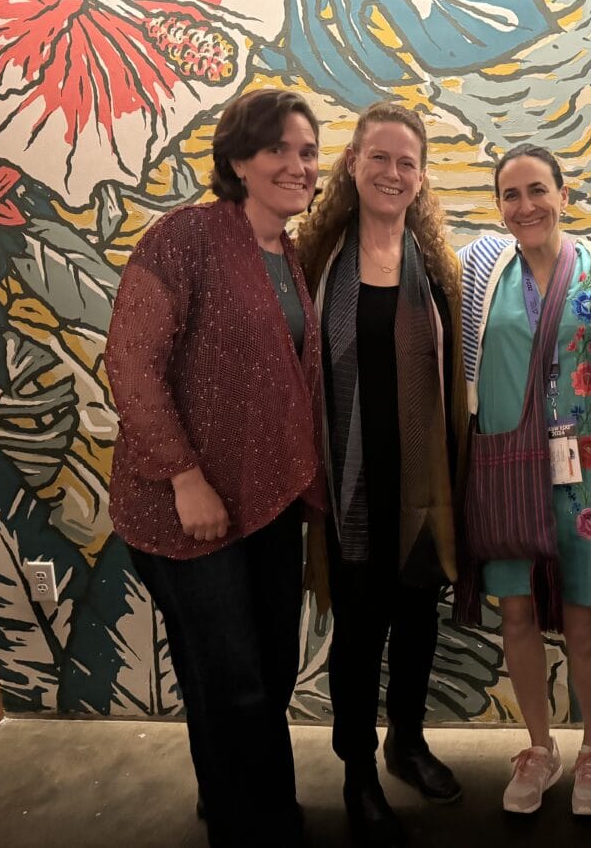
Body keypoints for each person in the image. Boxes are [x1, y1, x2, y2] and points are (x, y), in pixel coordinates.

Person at [105, 88, 325, 847]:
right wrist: (184, 476)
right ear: (237, 160)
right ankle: (258, 824)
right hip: (183, 504)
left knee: (267, 669)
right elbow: (131, 364)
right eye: (278, 149)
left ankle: (235, 799)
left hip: (267, 500)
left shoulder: (289, 255)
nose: (297, 165)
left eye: (308, 151)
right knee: (230, 678)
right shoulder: (186, 237)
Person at [295, 102, 468, 847]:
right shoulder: (315, 262)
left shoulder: (438, 270)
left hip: (425, 485)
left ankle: (407, 741)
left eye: (407, 162)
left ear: (420, 178)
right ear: (352, 164)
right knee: (359, 636)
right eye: (379, 158)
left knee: (419, 625)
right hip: (351, 486)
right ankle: (357, 772)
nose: (393, 173)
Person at [456, 144, 591, 818]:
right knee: (517, 611)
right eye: (511, 194)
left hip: (588, 469)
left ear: (563, 193)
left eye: (537, 190)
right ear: (498, 205)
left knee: (584, 616)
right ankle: (538, 746)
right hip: (505, 464)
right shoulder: (482, 269)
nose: (525, 206)